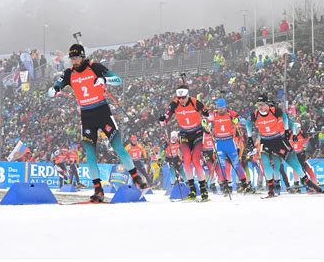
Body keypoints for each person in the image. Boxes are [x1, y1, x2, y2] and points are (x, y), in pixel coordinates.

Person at [48, 43, 147, 202]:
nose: (74, 61)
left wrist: (103, 79)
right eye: (72, 58)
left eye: (77, 57)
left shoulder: (95, 67)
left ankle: (136, 178)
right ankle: (98, 190)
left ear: (82, 56)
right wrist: (55, 89)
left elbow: (118, 80)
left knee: (118, 147)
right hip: (87, 116)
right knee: (90, 154)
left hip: (102, 111)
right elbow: (56, 86)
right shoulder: (69, 73)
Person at [246, 94, 323, 197]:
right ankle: (272, 189)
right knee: (267, 164)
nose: (261, 107)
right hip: (265, 141)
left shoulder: (276, 112)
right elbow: (248, 123)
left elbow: (289, 122)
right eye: (259, 105)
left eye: (263, 105)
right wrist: (250, 137)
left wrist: (290, 132)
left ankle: (309, 183)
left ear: (268, 105)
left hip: (279, 140)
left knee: (291, 164)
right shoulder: (255, 114)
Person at [159, 84, 210, 201]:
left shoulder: (194, 102)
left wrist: (206, 115)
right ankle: (192, 190)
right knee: (186, 161)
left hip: (197, 133)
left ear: (187, 95)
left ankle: (203, 190)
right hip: (184, 134)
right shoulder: (175, 103)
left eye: (183, 98)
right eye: (179, 98)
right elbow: (167, 115)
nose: (181, 100)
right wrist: (163, 120)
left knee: (195, 161)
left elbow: (206, 111)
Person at [204, 98, 255, 196]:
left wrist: (236, 121)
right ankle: (225, 185)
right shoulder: (214, 114)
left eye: (222, 108)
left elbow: (238, 119)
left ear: (225, 107)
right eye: (219, 108)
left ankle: (244, 184)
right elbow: (206, 118)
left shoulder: (230, 113)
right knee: (222, 166)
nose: (221, 110)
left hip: (229, 142)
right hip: (219, 143)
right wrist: (204, 123)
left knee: (236, 164)